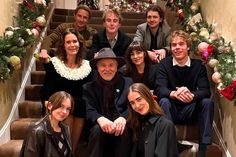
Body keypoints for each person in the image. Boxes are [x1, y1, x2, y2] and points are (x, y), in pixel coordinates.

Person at [155, 30, 214, 157]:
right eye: (174, 45)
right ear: (170, 48)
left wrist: (191, 94)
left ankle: (203, 150)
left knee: (207, 102)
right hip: (171, 110)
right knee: (164, 101)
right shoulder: (164, 65)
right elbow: (160, 89)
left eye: (181, 44)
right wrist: (175, 94)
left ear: (188, 46)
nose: (177, 48)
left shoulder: (198, 66)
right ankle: (169, 146)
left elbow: (205, 91)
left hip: (191, 109)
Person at [40, 28, 92, 156]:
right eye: (68, 42)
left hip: (79, 109)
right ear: (63, 45)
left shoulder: (87, 66)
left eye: (75, 41)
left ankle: (71, 153)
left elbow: (88, 93)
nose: (72, 45)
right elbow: (46, 90)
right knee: (66, 108)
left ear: (79, 43)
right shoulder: (55, 64)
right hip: (59, 106)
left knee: (79, 106)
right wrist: (48, 106)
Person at [83, 47, 133, 157]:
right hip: (99, 129)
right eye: (103, 65)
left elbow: (133, 106)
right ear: (97, 67)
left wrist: (123, 117)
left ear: (117, 67)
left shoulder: (128, 83)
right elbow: (88, 108)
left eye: (111, 65)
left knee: (125, 130)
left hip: (120, 127)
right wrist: (99, 118)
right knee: (97, 130)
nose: (107, 69)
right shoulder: (88, 87)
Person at [127, 83, 179, 157]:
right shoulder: (134, 124)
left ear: (148, 97)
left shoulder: (165, 125)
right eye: (132, 103)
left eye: (139, 99)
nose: (137, 106)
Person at [20, 91, 74, 157]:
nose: (64, 111)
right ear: (49, 106)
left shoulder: (66, 129)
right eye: (61, 106)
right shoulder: (37, 131)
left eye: (68, 109)